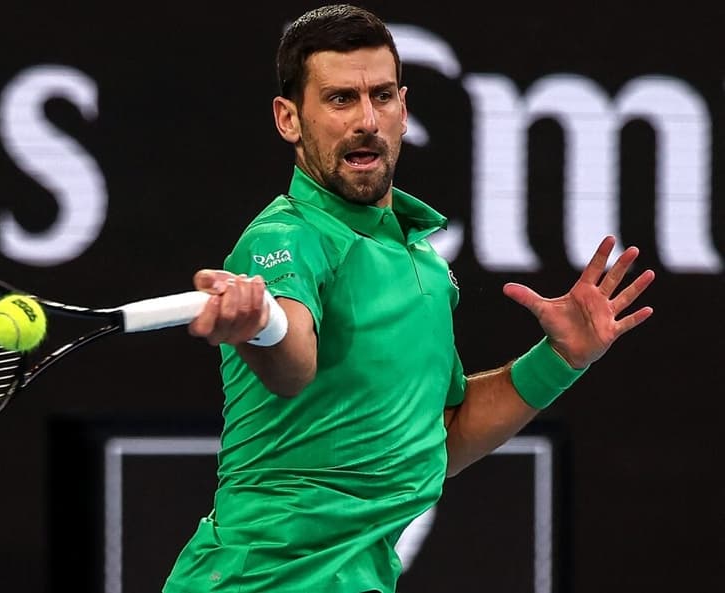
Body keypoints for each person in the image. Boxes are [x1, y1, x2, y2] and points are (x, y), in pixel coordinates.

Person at [163, 5, 655, 593]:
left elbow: (436, 439)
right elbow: (293, 362)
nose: (366, 120)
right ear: (289, 119)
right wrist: (261, 327)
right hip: (258, 581)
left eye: (381, 97)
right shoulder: (285, 238)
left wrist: (558, 359)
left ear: (404, 107)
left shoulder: (420, 262)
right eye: (341, 99)